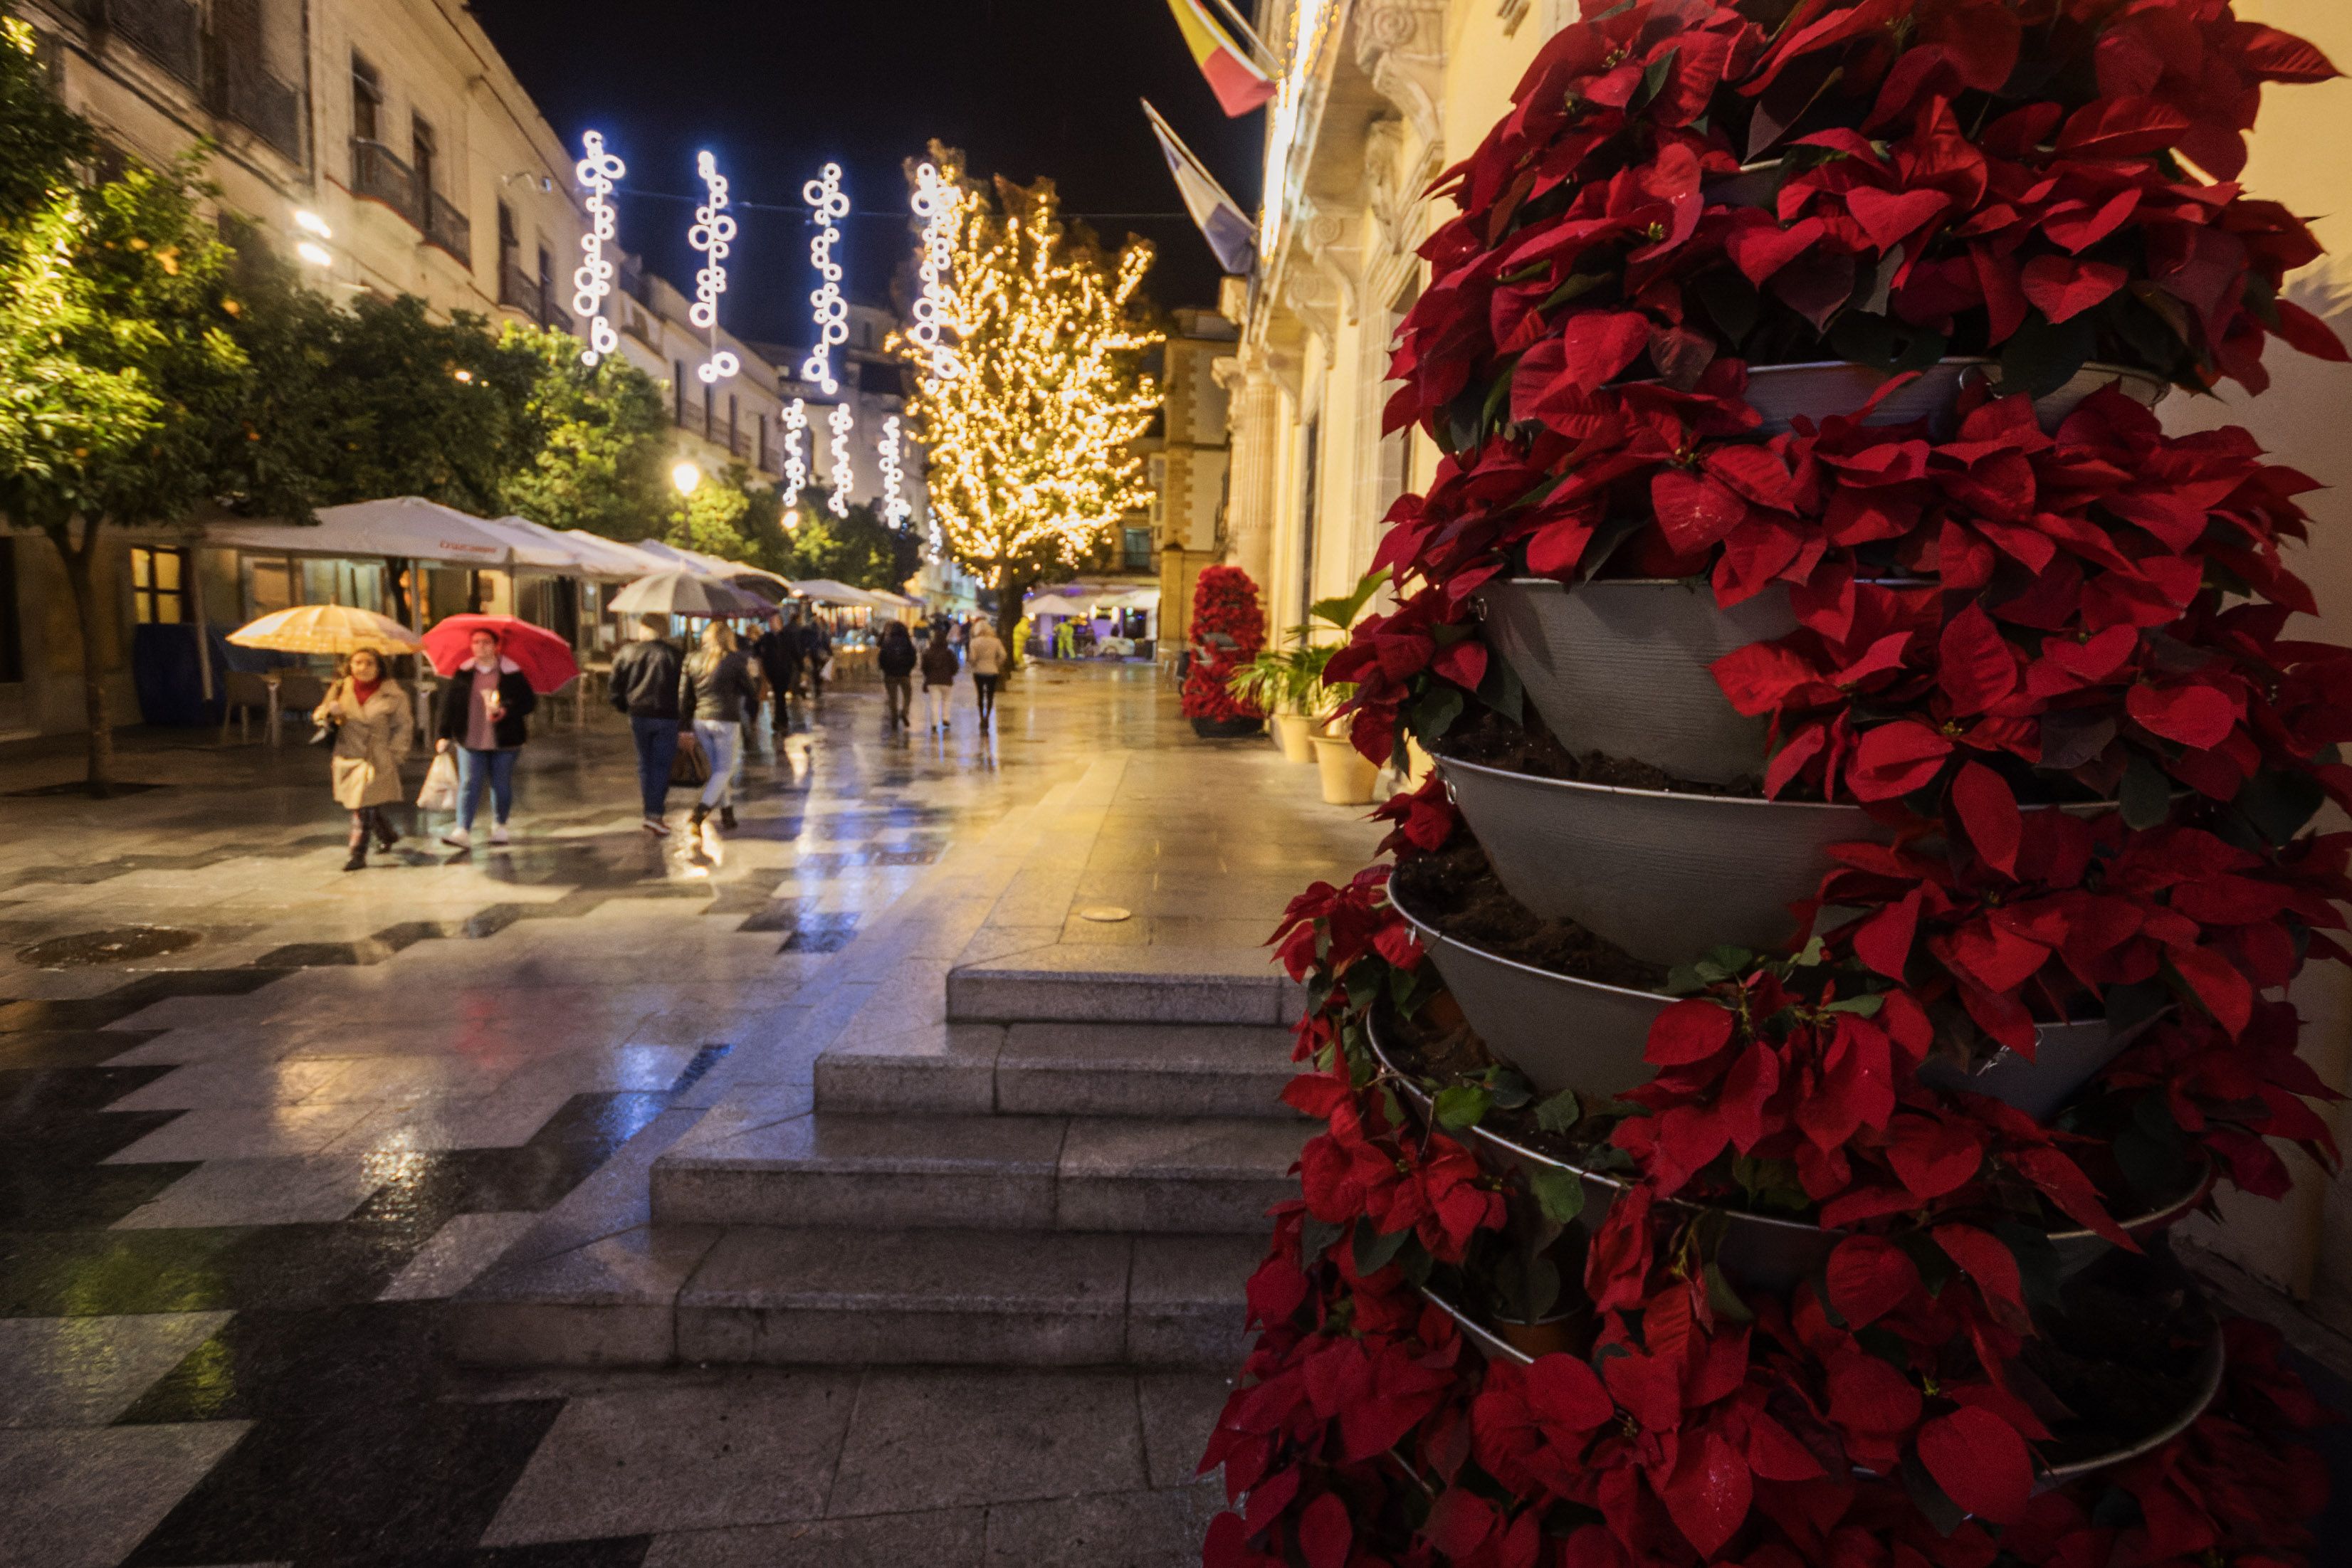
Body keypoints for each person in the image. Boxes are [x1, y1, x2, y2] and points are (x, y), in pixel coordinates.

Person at [436, 628, 536, 849]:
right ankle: (462, 830)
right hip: (471, 738)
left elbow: (529, 702)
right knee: (469, 783)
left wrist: (505, 708)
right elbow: (449, 704)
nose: (481, 647)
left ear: (496, 646)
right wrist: (443, 734)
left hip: (505, 740)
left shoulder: (511, 672)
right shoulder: (464, 672)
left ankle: (500, 824)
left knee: (500, 784)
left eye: (486, 642)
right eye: (476, 643)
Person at [315, 648, 414, 872]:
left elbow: (404, 726)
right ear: (350, 666)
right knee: (366, 804)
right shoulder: (340, 688)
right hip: (348, 754)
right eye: (358, 662)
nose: (363, 668)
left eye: (369, 663)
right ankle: (388, 834)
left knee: (364, 805)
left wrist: (396, 753)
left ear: (379, 667)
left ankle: (357, 854)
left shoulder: (394, 694)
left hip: (378, 757)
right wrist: (329, 713)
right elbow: (319, 713)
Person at [679, 621, 759, 833]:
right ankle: (699, 814)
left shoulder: (692, 659)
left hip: (701, 720)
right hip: (725, 720)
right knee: (725, 770)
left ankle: (727, 814)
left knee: (718, 771)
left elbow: (684, 695)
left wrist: (684, 725)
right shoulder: (735, 660)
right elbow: (751, 692)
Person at [608, 615, 683, 835]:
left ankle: (650, 812)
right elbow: (684, 688)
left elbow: (615, 684)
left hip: (638, 715)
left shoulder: (627, 653)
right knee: (661, 765)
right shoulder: (674, 655)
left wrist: (624, 706)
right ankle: (654, 814)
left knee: (645, 764)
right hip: (666, 716)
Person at [752, 611, 804, 736]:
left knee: (779, 695)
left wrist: (801, 669)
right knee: (779, 696)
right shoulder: (767, 637)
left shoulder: (787, 636)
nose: (771, 624)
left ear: (779, 622)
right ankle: (781, 720)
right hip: (772, 672)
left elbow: (795, 652)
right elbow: (756, 649)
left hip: (785, 671)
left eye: (773, 621)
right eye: (770, 622)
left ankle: (780, 720)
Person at [876, 620, 918, 729]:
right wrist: (908, 669)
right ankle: (904, 711)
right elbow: (913, 658)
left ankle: (894, 718)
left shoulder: (887, 642)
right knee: (908, 695)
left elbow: (882, 658)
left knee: (892, 698)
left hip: (890, 675)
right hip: (905, 674)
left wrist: (885, 670)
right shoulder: (908, 642)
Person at [967, 619, 1007, 727]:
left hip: (979, 671)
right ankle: (987, 717)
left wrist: (974, 664)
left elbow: (973, 658)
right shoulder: (996, 641)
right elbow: (1003, 655)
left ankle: (981, 717)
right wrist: (996, 664)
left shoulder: (974, 642)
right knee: (990, 696)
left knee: (980, 695)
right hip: (992, 671)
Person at [919, 623, 959, 732]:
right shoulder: (949, 653)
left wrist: (927, 676)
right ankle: (946, 719)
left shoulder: (928, 652)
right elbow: (955, 667)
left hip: (933, 681)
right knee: (946, 701)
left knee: (934, 702)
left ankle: (934, 723)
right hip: (947, 681)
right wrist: (951, 674)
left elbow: (924, 667)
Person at [799, 615, 833, 705]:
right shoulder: (820, 631)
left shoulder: (806, 630)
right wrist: (830, 653)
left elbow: (802, 642)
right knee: (817, 670)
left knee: (808, 671)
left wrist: (804, 653)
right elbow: (825, 643)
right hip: (818, 654)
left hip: (809, 654)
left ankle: (806, 687)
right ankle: (817, 687)